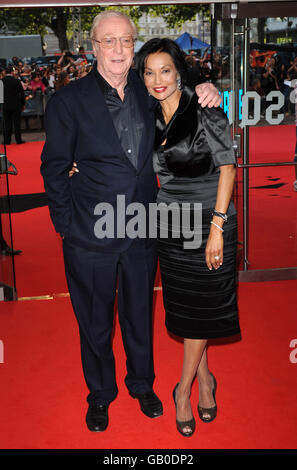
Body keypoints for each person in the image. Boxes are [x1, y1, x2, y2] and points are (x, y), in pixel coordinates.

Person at [40, 11, 221, 433]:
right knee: (95, 322)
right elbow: (54, 169)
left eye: (126, 41)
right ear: (94, 48)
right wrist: (67, 227)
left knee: (139, 315)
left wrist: (209, 88)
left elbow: (183, 96)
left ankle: (143, 385)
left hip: (143, 228)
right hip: (89, 234)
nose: (119, 49)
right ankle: (100, 395)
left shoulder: (148, 92)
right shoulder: (69, 101)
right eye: (110, 41)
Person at [135, 38, 240, 437]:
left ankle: (183, 390)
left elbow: (228, 170)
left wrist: (216, 227)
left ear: (179, 72)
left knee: (204, 304)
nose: (157, 79)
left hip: (209, 218)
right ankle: (207, 380)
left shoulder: (205, 109)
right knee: (189, 309)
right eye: (149, 71)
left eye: (165, 70)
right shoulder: (147, 115)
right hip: (170, 223)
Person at [1, 66, 26, 145]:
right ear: (12, 72)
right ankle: (18, 140)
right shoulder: (17, 81)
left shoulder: (1, 81)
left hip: (5, 106)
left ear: (5, 73)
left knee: (7, 123)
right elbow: (22, 93)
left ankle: (7, 141)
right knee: (17, 123)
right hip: (16, 105)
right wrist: (23, 104)